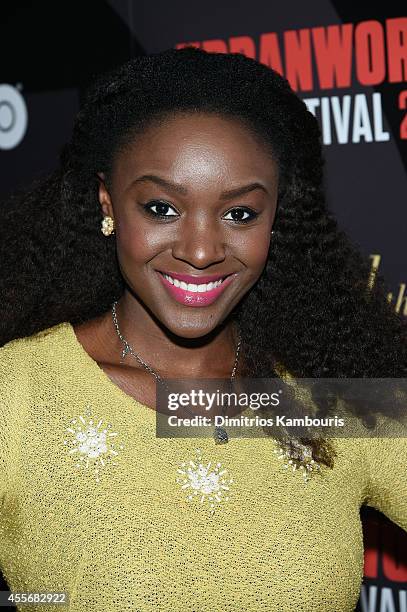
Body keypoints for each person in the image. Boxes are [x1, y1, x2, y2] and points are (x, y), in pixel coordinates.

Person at [0, 47, 406, 612]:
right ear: (106, 200)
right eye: (162, 208)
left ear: (276, 218)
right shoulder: (16, 393)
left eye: (240, 213)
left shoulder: (332, 398)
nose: (200, 251)